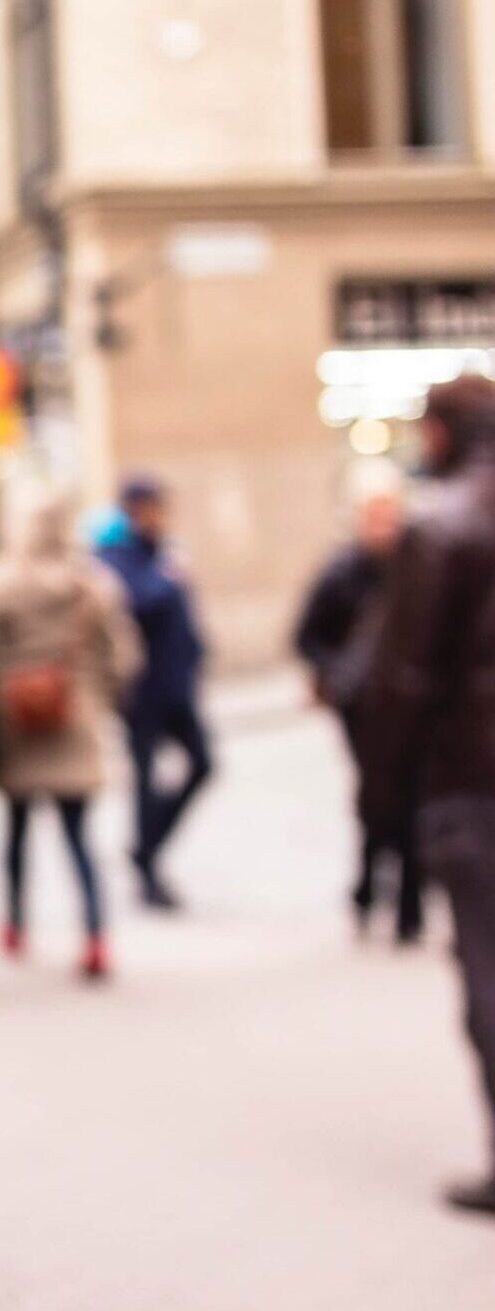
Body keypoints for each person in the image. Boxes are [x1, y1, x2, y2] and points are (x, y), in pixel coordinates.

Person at [358, 374, 495, 1217]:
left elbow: (402, 679)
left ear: (442, 433)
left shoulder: (444, 525)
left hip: (472, 781)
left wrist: (381, 796)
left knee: (487, 963)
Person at [0, 487, 141, 981]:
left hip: (16, 721)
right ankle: (95, 935)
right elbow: (123, 657)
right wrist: (96, 697)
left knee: (16, 833)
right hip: (76, 718)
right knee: (79, 838)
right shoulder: (92, 584)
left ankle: (16, 923)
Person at [297, 476, 423, 943]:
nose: (384, 527)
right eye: (376, 517)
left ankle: (410, 907)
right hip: (363, 707)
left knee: (411, 800)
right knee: (376, 800)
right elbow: (308, 635)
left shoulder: (421, 565)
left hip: (411, 705)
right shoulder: (342, 573)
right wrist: (337, 674)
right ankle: (368, 890)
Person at [95, 475, 210, 910]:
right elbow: (136, 604)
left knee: (202, 764)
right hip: (141, 690)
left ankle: (146, 846)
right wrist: (167, 576)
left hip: (177, 685)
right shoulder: (114, 556)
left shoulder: (162, 551)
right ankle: (146, 866)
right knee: (144, 779)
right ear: (135, 509)